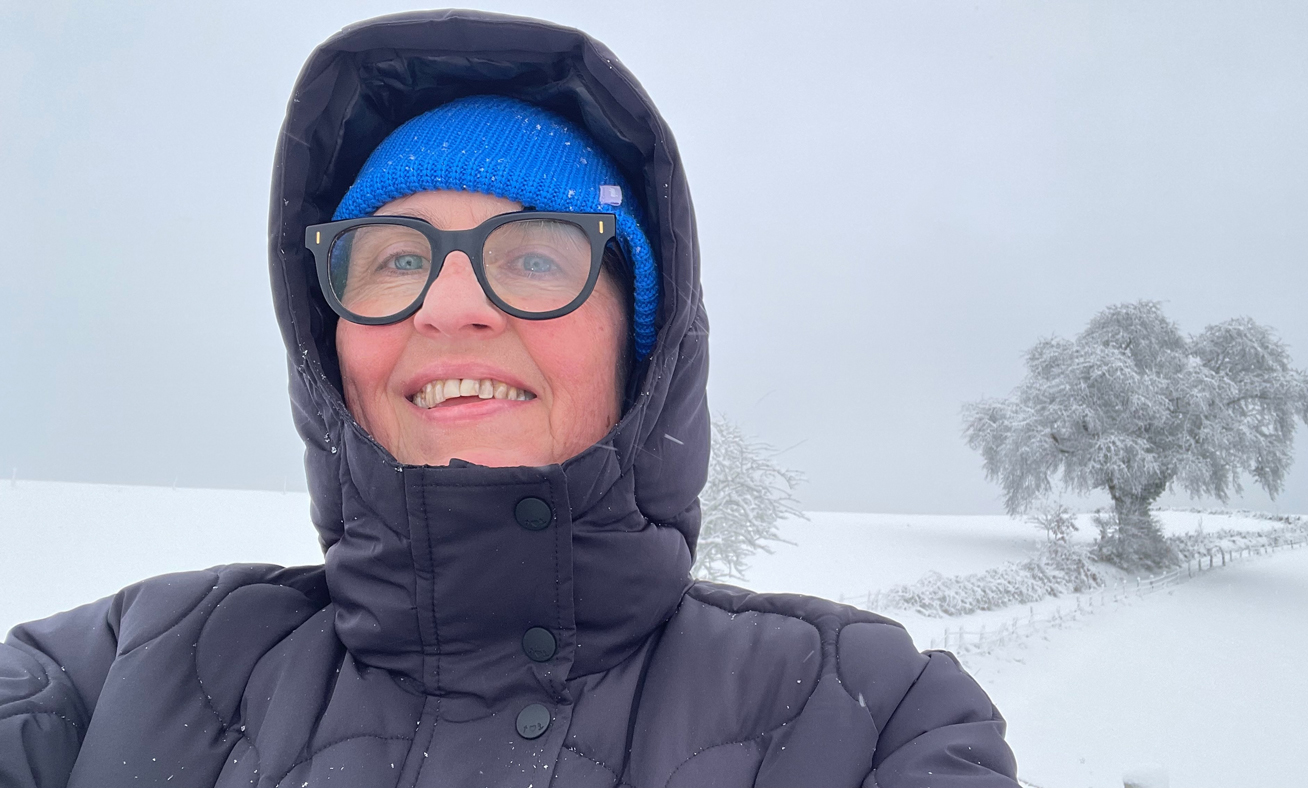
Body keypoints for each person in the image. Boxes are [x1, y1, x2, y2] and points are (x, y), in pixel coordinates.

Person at [0, 10, 1018, 787]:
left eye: (534, 254)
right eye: (393, 258)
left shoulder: (868, 714)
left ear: (644, 343)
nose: (447, 305)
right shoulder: (120, 670)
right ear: (331, 341)